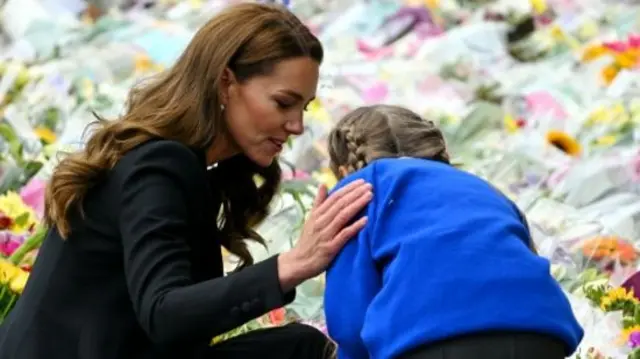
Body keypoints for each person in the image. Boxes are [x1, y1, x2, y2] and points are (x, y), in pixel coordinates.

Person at [0, 4, 373, 359]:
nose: (298, 126)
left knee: (301, 345)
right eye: (283, 103)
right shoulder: (160, 164)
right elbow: (164, 312)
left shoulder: (185, 163)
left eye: (304, 107)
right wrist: (294, 264)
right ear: (226, 82)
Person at [323, 105, 583, 359]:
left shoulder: (358, 191)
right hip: (541, 333)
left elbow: (349, 319)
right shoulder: (483, 188)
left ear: (344, 171)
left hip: (431, 340)